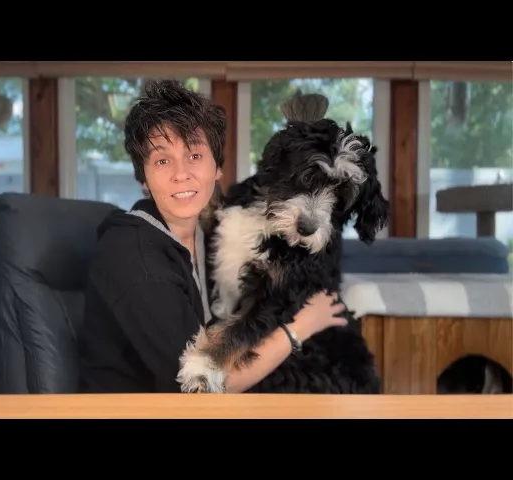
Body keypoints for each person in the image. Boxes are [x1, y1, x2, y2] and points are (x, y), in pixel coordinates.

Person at [80, 79, 347, 393]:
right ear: (145, 179)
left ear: (217, 168)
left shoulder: (203, 233)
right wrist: (300, 327)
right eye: (162, 160)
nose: (181, 174)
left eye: (194, 155)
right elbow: (201, 386)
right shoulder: (135, 256)